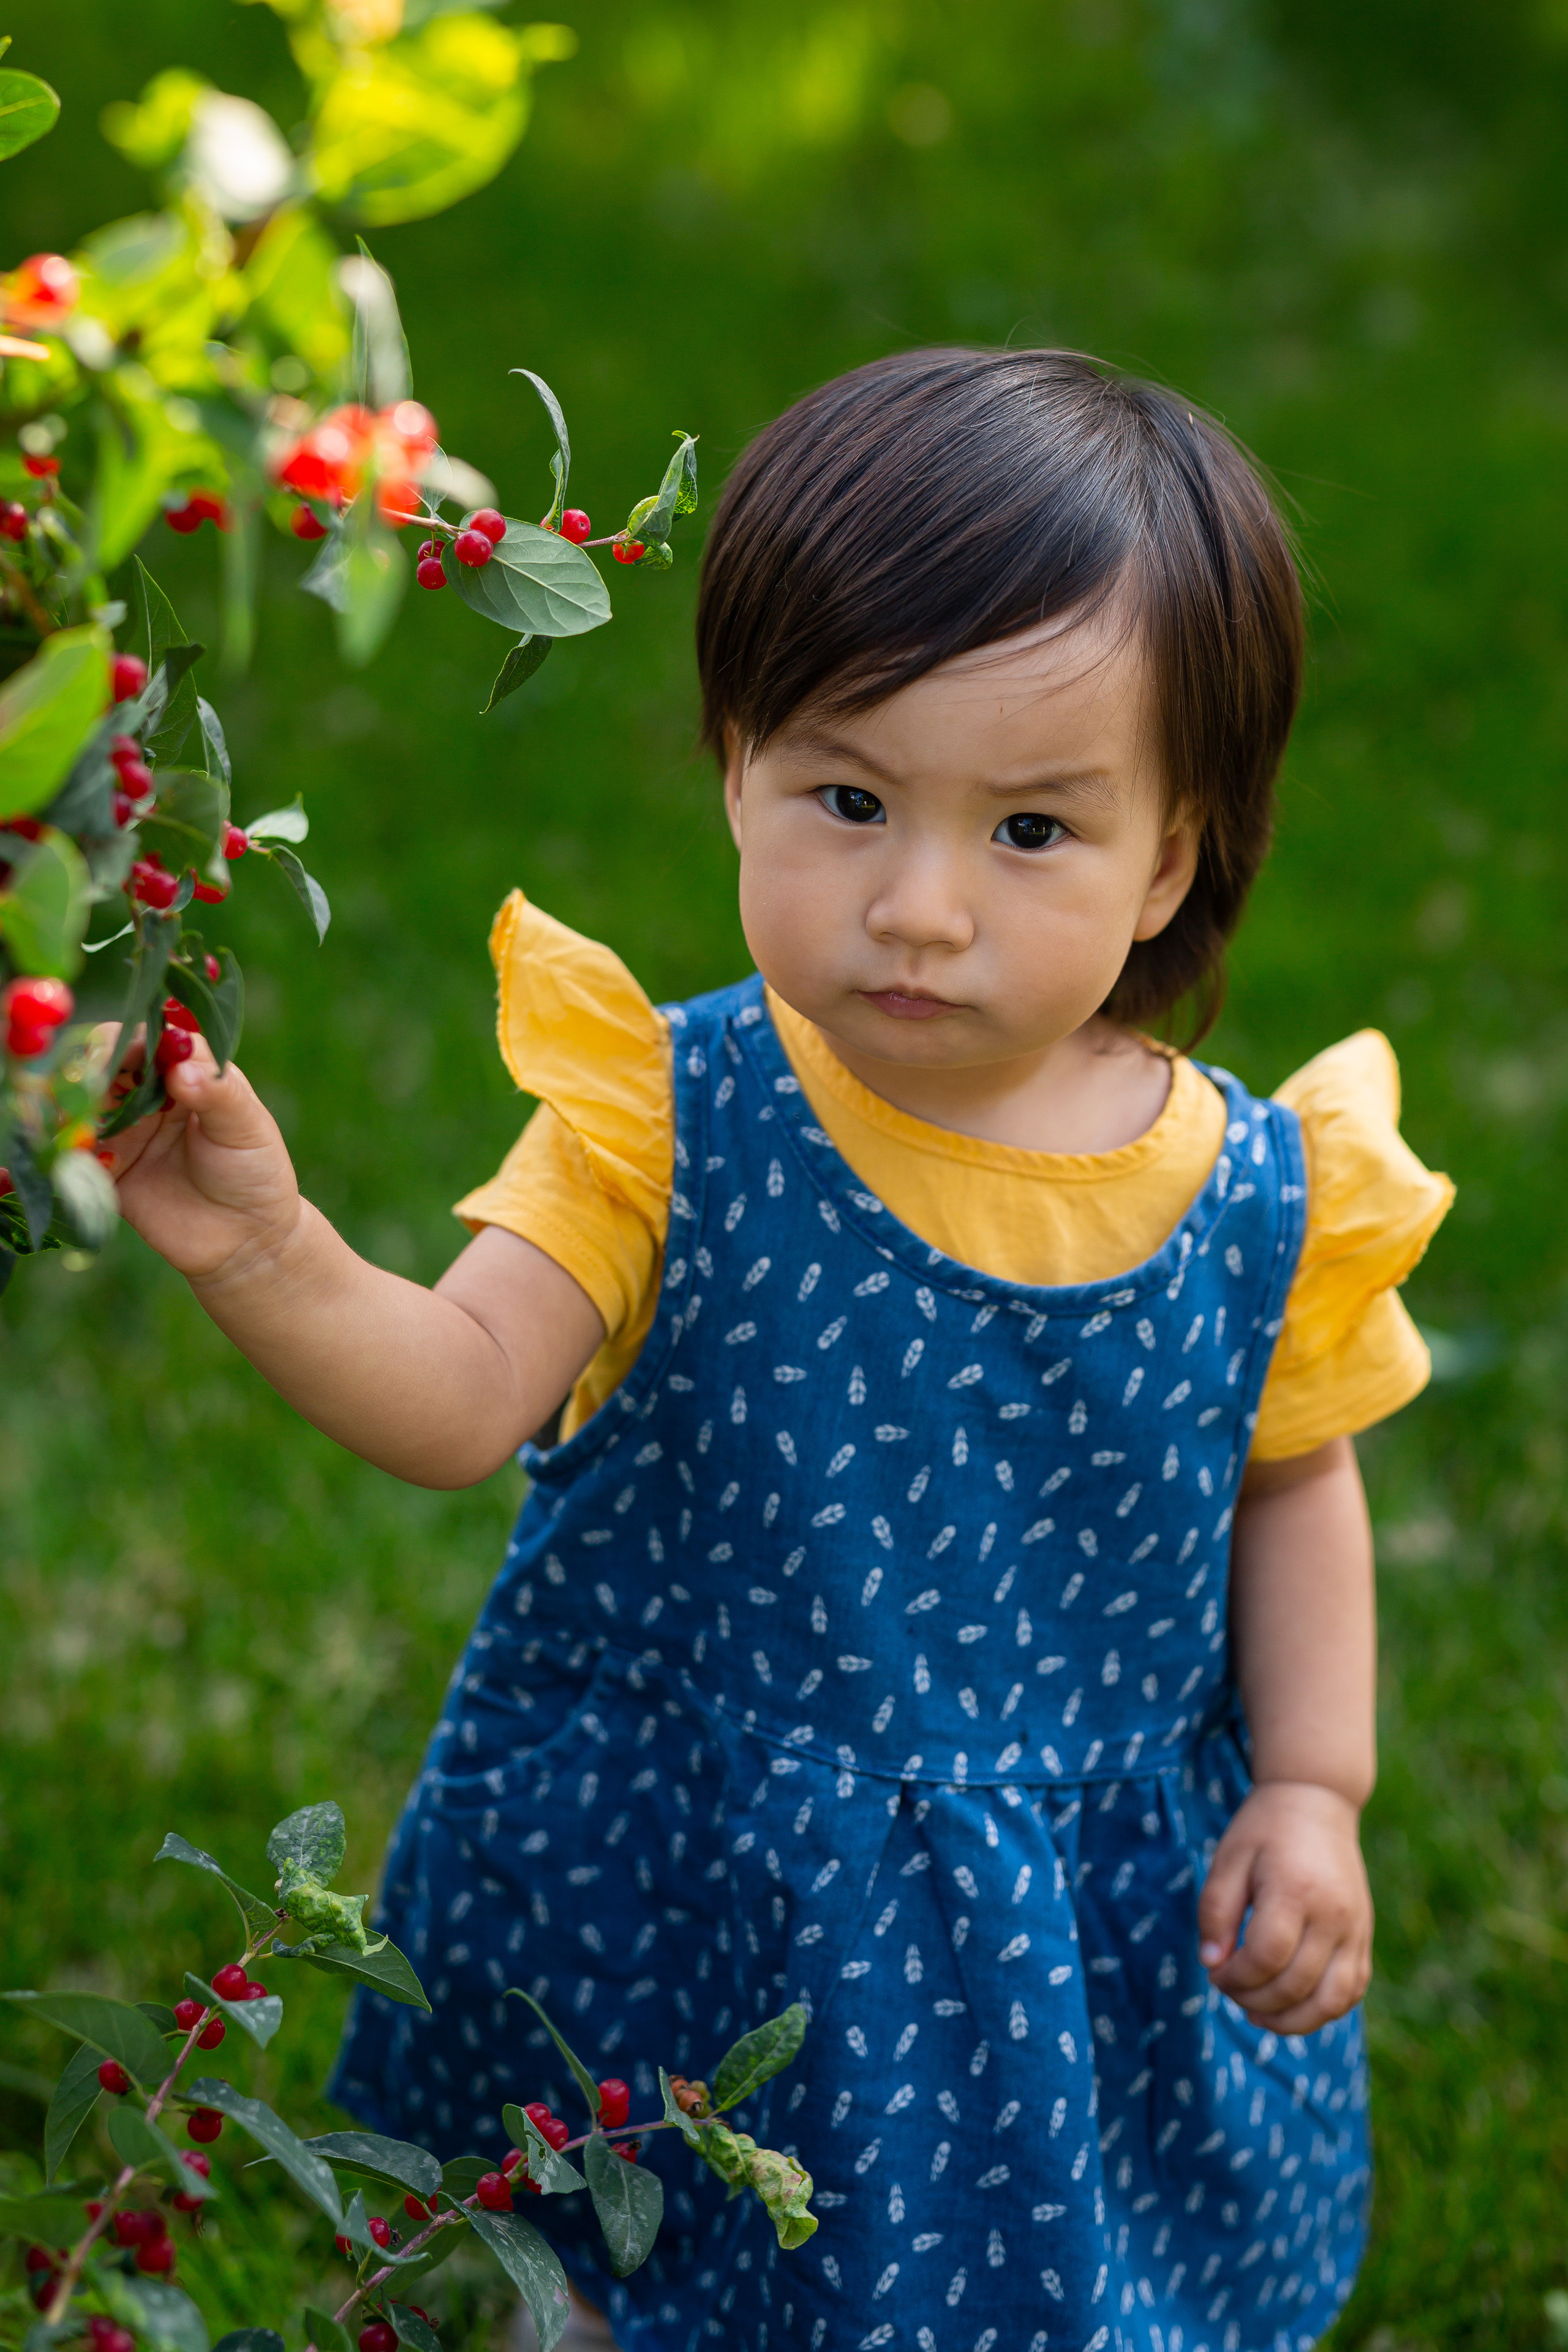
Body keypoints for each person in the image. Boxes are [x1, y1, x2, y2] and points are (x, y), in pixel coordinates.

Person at [106, 348, 1452, 2352]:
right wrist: (265, 1246)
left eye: (1030, 833)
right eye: (847, 797)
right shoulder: (673, 1119)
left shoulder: (1263, 1199)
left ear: (1171, 854)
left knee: (1041, 2270)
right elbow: (462, 1399)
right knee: (671, 2265)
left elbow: (1294, 1478)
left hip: (1068, 1914)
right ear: (735, 763)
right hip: (708, 1877)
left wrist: (1318, 1786)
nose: (917, 906)